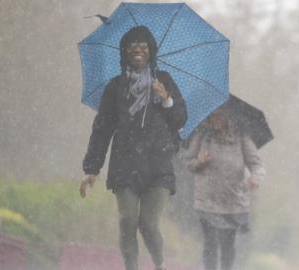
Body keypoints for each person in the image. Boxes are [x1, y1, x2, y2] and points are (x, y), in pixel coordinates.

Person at [79, 26, 187, 270]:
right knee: (127, 221)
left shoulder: (165, 80)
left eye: (143, 46)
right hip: (125, 165)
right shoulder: (116, 87)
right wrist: (91, 169)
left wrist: (166, 99)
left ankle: (160, 265)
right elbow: (102, 129)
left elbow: (180, 119)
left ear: (151, 51)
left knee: (148, 224)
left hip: (159, 165)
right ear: (124, 52)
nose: (137, 50)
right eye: (132, 46)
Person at [185, 105, 266, 270]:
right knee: (210, 243)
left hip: (232, 202)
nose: (216, 119)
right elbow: (189, 163)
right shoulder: (201, 136)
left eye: (220, 115)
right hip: (207, 201)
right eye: (212, 115)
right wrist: (199, 161)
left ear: (229, 116)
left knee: (228, 245)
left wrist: (255, 177)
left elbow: (257, 164)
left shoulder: (242, 138)